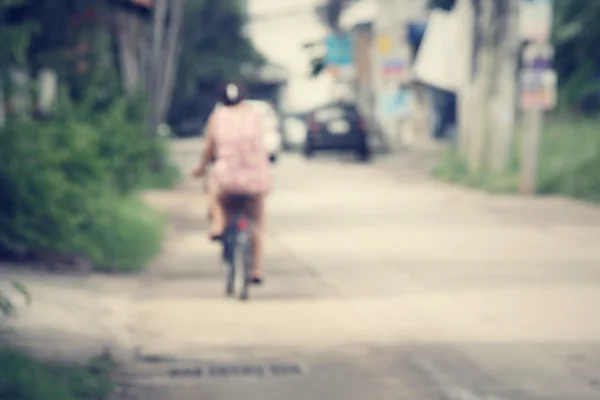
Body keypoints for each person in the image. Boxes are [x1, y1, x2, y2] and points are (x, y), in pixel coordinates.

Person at [192, 81, 271, 284]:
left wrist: (201, 168)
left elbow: (209, 148)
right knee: (257, 222)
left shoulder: (218, 117)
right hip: (255, 178)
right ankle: (256, 269)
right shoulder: (255, 116)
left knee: (214, 192)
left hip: (227, 177)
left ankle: (218, 223)